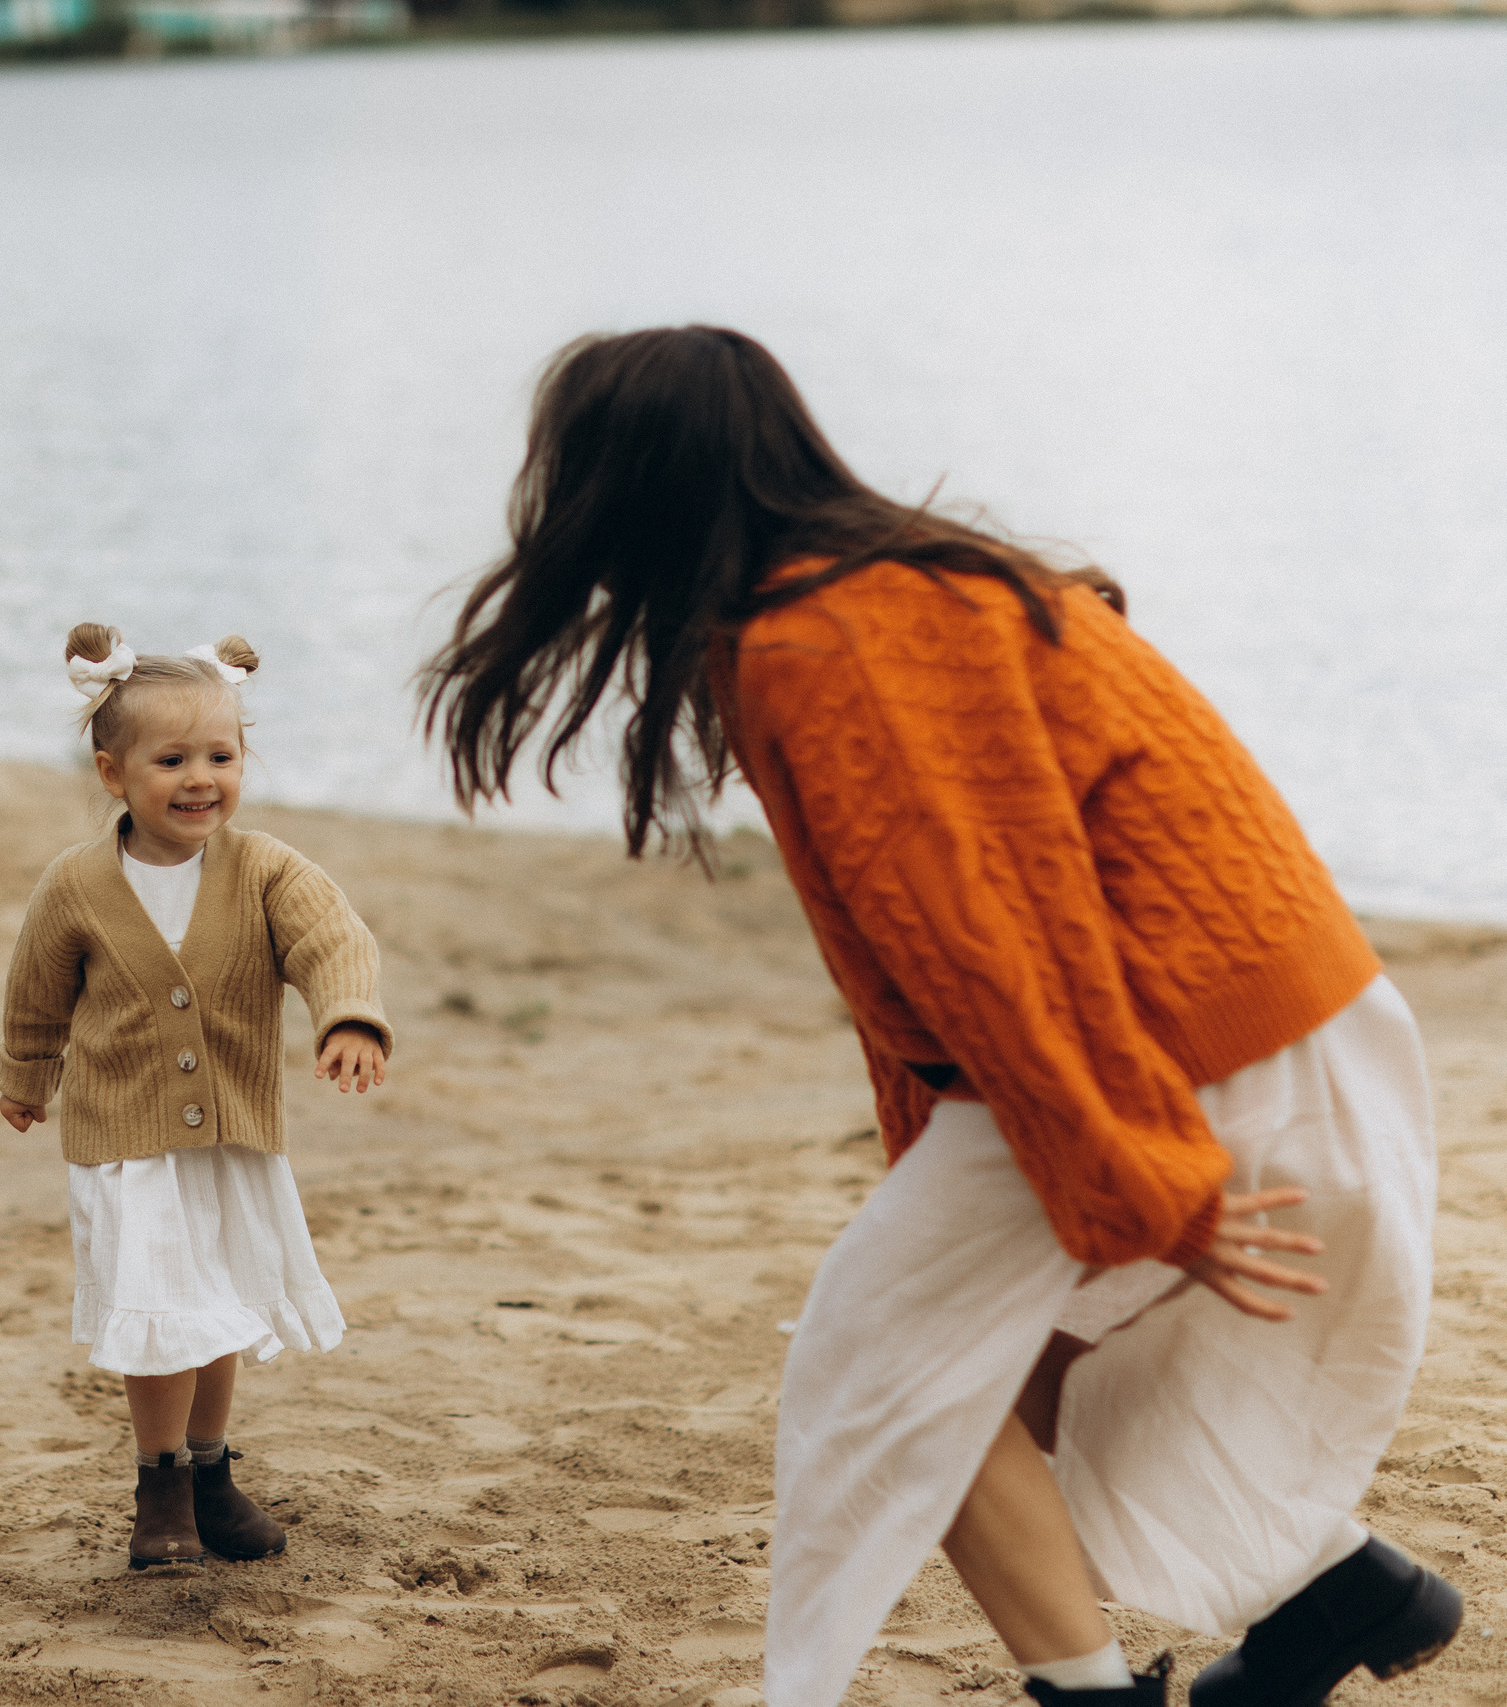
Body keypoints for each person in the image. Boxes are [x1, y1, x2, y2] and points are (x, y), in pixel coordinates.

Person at [416, 326, 1456, 1707]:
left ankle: (1116, 1689)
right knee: (987, 1359)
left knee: (893, 1369)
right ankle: (1335, 1590)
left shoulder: (825, 636)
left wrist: (1140, 1174)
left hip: (1187, 1041)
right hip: (1279, 1012)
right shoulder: (900, 584)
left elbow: (989, 940)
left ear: (629, 492)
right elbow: (973, 936)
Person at [0, 624, 394, 1573]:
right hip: (124, 1143)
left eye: (221, 755)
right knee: (159, 1309)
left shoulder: (264, 870)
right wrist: (25, 1075)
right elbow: (36, 990)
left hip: (231, 1138)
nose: (200, 777)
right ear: (113, 773)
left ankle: (211, 1473)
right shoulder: (77, 884)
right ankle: (160, 1483)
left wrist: (348, 1016)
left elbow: (333, 941)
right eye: (171, 758)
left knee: (217, 1307)